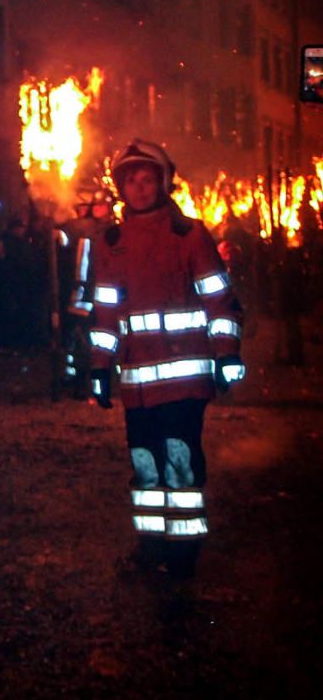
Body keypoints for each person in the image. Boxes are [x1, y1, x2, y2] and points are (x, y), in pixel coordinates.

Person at [88, 139, 245, 578]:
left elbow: (220, 300)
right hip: (137, 382)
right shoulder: (111, 242)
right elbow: (106, 311)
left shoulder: (189, 235)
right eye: (131, 180)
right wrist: (100, 365)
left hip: (185, 379)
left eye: (147, 178)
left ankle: (184, 552)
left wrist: (226, 354)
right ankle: (152, 543)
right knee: (143, 462)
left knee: (179, 458)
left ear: (163, 183)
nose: (139, 188)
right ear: (122, 188)